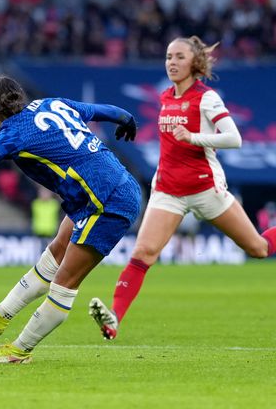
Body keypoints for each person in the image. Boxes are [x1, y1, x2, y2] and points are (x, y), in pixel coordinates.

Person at [0, 75, 141, 364]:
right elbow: (101, 111)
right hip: (109, 187)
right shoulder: (51, 103)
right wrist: (127, 118)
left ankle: (19, 351)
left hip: (106, 201)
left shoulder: (12, 135)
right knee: (57, 249)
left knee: (65, 282)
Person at [88, 36, 276, 340]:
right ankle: (113, 321)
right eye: (168, 57)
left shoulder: (207, 98)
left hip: (205, 189)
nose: (172, 62)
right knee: (143, 253)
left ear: (195, 63)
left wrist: (194, 138)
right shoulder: (165, 97)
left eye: (179, 57)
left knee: (258, 248)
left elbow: (234, 138)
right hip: (168, 191)